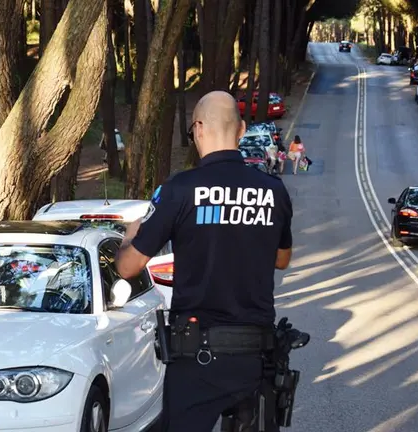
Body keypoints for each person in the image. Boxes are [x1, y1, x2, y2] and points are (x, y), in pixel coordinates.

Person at [114, 90, 294, 431]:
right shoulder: (273, 190)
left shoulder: (179, 189)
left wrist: (130, 236)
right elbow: (282, 259)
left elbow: (128, 267)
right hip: (255, 358)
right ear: (241, 131)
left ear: (197, 128)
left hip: (197, 358)